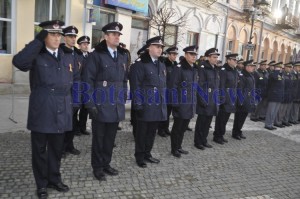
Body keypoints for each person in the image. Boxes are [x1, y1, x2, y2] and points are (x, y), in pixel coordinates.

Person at [12, 20, 78, 199]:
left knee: (57, 149)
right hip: (42, 109)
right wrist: (37, 41)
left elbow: (74, 80)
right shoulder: (37, 55)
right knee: (40, 150)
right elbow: (19, 62)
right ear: (44, 37)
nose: (57, 38)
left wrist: (74, 103)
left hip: (62, 108)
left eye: (59, 34)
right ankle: (41, 184)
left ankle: (54, 179)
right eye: (52, 34)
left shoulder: (67, 55)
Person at [83, 22, 128, 181]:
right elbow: (87, 81)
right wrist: (90, 104)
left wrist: (123, 97)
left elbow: (123, 80)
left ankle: (106, 163)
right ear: (106, 36)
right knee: (99, 140)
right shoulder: (96, 55)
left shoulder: (123, 55)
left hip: (115, 105)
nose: (117, 37)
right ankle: (97, 167)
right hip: (100, 105)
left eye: (118, 35)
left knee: (110, 139)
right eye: (113, 34)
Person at [130, 36, 167, 168]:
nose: (160, 49)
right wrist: (138, 104)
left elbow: (162, 85)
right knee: (142, 133)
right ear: (149, 48)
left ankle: (147, 154)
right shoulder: (140, 64)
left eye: (161, 47)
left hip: (157, 105)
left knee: (152, 132)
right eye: (157, 46)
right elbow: (136, 86)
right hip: (145, 105)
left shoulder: (160, 64)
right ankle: (139, 157)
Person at [169, 45, 198, 158]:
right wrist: (175, 103)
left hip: (190, 104)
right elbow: (173, 87)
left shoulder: (194, 69)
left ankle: (179, 146)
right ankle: (174, 148)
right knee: (177, 128)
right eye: (191, 54)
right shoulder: (179, 68)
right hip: (181, 104)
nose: (194, 57)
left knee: (183, 128)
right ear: (186, 55)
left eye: (195, 55)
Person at [61, 25, 82, 155]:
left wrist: (78, 96)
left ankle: (70, 145)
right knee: (63, 123)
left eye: (74, 36)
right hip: (63, 95)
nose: (73, 39)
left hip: (75, 93)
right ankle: (61, 148)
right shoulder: (60, 53)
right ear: (64, 38)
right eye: (70, 36)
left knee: (73, 123)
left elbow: (78, 76)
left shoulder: (77, 54)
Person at [194, 48, 220, 150]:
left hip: (212, 100)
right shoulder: (203, 68)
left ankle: (204, 140)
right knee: (201, 123)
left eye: (217, 57)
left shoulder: (215, 69)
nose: (216, 59)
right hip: (204, 100)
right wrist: (202, 100)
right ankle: (198, 142)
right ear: (208, 57)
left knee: (208, 123)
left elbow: (216, 86)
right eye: (214, 57)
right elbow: (199, 86)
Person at [213, 53, 239, 144]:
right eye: (234, 60)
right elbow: (222, 86)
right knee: (221, 119)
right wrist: (222, 98)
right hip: (225, 99)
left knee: (226, 118)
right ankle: (217, 136)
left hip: (231, 98)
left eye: (236, 60)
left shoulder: (235, 70)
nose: (236, 61)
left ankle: (221, 134)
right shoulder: (224, 70)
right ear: (228, 60)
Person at [232, 60, 257, 140]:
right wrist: (241, 101)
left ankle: (239, 131)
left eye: (253, 67)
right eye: (251, 66)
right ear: (247, 67)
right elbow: (240, 89)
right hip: (242, 100)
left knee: (243, 117)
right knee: (239, 117)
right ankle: (235, 132)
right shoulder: (242, 75)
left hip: (248, 99)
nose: (253, 68)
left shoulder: (250, 75)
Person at [157, 46, 178, 137]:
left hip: (172, 92)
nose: (175, 56)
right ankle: (161, 129)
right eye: (173, 54)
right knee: (163, 112)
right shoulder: (164, 64)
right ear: (169, 55)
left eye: (176, 54)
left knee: (168, 112)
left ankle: (166, 128)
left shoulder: (175, 65)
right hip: (165, 91)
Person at [130, 44, 149, 141]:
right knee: (136, 116)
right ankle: (136, 134)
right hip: (137, 94)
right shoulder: (135, 64)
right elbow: (134, 82)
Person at [77, 35, 91, 135]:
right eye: (83, 44)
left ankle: (82, 127)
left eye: (87, 44)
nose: (86, 46)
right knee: (75, 109)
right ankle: (75, 129)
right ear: (79, 45)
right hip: (78, 87)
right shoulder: (76, 56)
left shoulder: (90, 56)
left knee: (85, 109)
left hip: (87, 88)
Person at [264, 62, 285, 130]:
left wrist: (280, 72)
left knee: (275, 111)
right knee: (271, 111)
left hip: (279, 96)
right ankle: (268, 124)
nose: (280, 69)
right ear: (276, 68)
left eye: (281, 68)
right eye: (279, 68)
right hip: (273, 95)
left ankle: (271, 123)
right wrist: (277, 71)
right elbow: (274, 78)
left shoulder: (281, 75)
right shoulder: (272, 74)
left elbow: (282, 85)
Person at [274, 62, 293, 127]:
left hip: (288, 95)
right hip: (283, 94)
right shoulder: (282, 74)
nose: (290, 69)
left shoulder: (290, 75)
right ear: (285, 67)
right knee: (280, 110)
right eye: (289, 67)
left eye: (291, 67)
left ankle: (282, 121)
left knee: (285, 110)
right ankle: (277, 122)